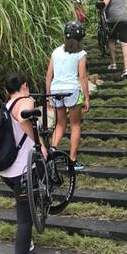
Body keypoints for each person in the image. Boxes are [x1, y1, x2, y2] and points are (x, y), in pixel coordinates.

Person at [1, 72, 48, 254]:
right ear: (24, 86)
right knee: (25, 219)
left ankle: (27, 240)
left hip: (6, 171)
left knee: (26, 203)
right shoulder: (23, 100)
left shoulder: (7, 102)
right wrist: (38, 143)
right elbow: (23, 117)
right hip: (20, 170)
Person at [46, 21, 90, 171]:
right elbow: (83, 77)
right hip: (72, 90)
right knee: (75, 124)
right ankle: (72, 160)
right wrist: (86, 97)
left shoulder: (56, 51)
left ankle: (51, 152)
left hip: (56, 90)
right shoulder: (81, 53)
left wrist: (48, 96)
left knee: (60, 123)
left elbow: (48, 76)